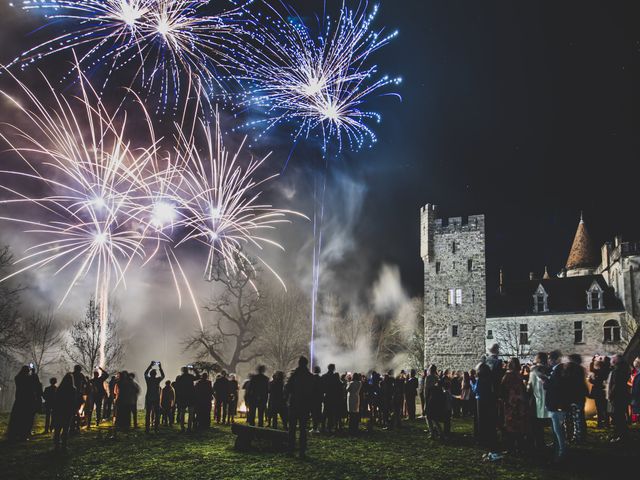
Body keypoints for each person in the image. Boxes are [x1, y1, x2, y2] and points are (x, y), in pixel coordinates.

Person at [285, 356, 314, 458]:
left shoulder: (294, 375)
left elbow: (287, 388)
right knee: (303, 429)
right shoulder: (310, 376)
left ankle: (290, 449)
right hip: (305, 405)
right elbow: (312, 392)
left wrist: (287, 399)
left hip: (294, 404)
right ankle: (302, 451)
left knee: (292, 428)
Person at [544, 350, 568, 463]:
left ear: (555, 359)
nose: (548, 361)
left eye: (550, 359)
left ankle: (561, 453)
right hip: (555, 404)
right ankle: (558, 449)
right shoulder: (556, 370)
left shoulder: (559, 371)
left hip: (556, 405)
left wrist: (545, 381)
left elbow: (556, 387)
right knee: (556, 430)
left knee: (558, 431)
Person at [500, 358, 528, 453]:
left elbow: (503, 388)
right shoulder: (519, 375)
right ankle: (520, 446)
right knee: (519, 424)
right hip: (520, 402)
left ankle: (511, 447)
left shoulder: (508, 375)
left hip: (511, 402)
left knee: (510, 424)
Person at [7, 365, 39, 442]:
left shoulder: (17, 377)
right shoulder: (28, 378)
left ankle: (14, 434)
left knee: (16, 418)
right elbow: (36, 384)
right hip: (27, 401)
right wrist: (34, 373)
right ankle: (23, 435)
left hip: (19, 400)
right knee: (26, 418)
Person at [528, 352, 550, 450]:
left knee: (535, 424)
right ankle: (543, 443)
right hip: (547, 399)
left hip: (535, 399)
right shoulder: (549, 370)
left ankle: (537, 443)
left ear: (539, 359)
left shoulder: (533, 371)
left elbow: (530, 387)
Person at [473, 362, 497, 451]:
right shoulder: (490, 378)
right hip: (488, 399)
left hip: (480, 399)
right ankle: (489, 437)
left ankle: (482, 438)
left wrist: (473, 384)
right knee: (487, 419)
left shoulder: (479, 379)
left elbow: (476, 389)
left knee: (481, 419)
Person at [564, 354, 588, 444]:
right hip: (579, 395)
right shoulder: (581, 369)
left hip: (570, 396)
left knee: (570, 417)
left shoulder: (569, 369)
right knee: (579, 417)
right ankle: (580, 436)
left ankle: (571, 436)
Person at [607, 354, 631, 443]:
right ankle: (622, 435)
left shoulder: (618, 370)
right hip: (622, 395)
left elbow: (616, 384)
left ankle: (620, 435)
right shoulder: (623, 369)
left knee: (618, 417)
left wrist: (611, 395)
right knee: (620, 416)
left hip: (618, 396)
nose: (611, 360)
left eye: (612, 359)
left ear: (616, 360)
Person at [52, 373, 77, 450]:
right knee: (66, 428)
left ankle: (56, 444)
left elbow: (56, 400)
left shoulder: (60, 389)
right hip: (68, 410)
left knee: (57, 428)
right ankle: (64, 444)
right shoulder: (73, 389)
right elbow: (74, 401)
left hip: (59, 410)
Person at [175, 366, 198, 432]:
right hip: (190, 396)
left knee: (182, 412)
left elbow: (177, 387)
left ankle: (182, 427)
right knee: (191, 413)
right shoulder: (190, 376)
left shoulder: (180, 378)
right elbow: (198, 377)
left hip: (183, 397)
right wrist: (194, 369)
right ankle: (189, 427)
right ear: (188, 370)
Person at [144, 361, 165, 433]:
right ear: (155, 374)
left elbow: (145, 373)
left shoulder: (148, 380)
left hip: (149, 398)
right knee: (157, 414)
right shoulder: (157, 380)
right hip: (156, 398)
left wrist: (150, 366)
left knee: (148, 413)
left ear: (151, 374)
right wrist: (160, 367)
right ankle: (156, 428)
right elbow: (163, 376)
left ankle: (147, 428)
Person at [321, 364, 342, 433]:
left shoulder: (324, 376)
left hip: (326, 396)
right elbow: (339, 387)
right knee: (331, 413)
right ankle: (329, 427)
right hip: (333, 397)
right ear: (333, 369)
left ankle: (323, 426)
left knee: (325, 412)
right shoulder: (335, 377)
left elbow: (321, 387)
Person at [589, 357, 609, 427]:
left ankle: (600, 423)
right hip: (604, 391)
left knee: (599, 408)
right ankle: (606, 422)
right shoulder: (607, 370)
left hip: (599, 391)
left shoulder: (598, 372)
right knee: (604, 407)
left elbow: (594, 381)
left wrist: (592, 379)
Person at [71, 365, 86, 432]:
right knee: (77, 411)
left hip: (73, 395)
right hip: (79, 395)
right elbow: (85, 383)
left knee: (73, 411)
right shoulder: (81, 375)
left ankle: (73, 426)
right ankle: (77, 426)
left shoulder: (72, 375)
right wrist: (82, 389)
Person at [310, 366, 323, 433]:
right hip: (319, 398)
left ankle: (314, 427)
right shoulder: (320, 378)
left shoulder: (312, 378)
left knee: (313, 413)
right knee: (318, 412)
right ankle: (317, 427)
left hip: (313, 398)